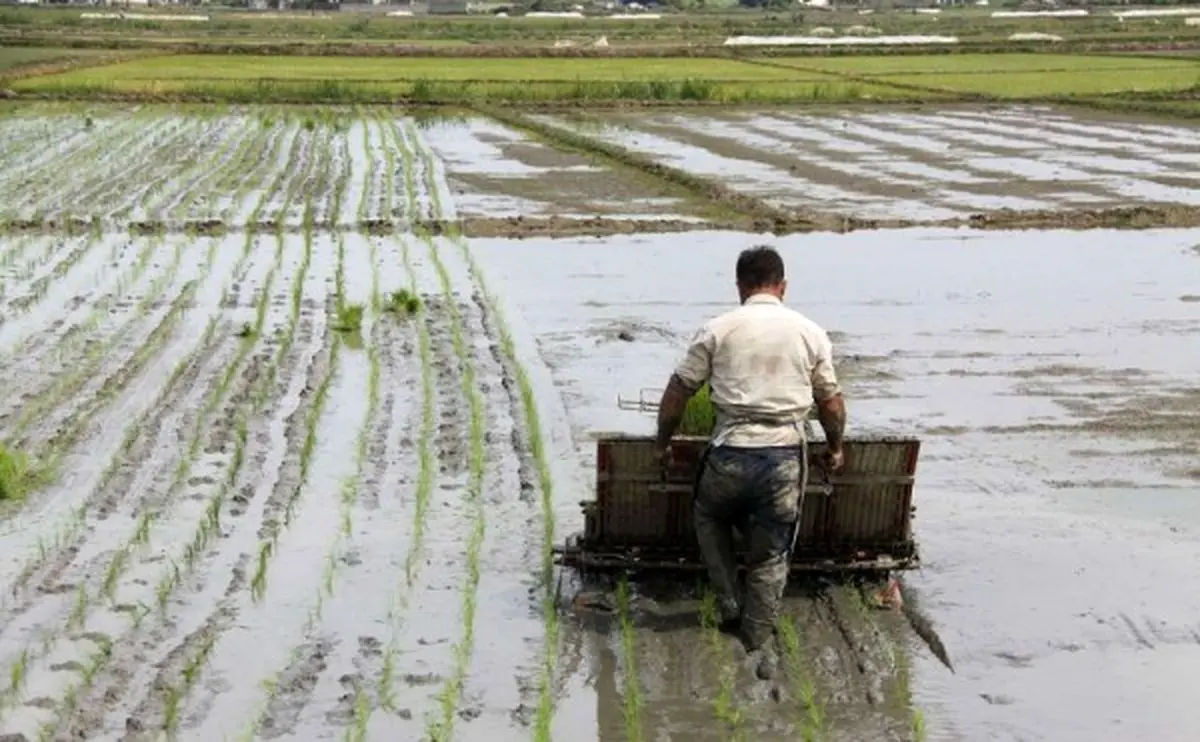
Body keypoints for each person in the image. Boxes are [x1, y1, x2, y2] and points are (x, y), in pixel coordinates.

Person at [652, 245, 846, 680]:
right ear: (783, 286)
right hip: (782, 460)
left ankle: (728, 603)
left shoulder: (717, 329)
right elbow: (830, 403)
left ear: (739, 286)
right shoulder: (809, 332)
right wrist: (834, 448)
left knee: (708, 516)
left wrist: (662, 443)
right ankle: (758, 635)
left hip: (729, 452)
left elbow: (677, 392)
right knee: (773, 549)